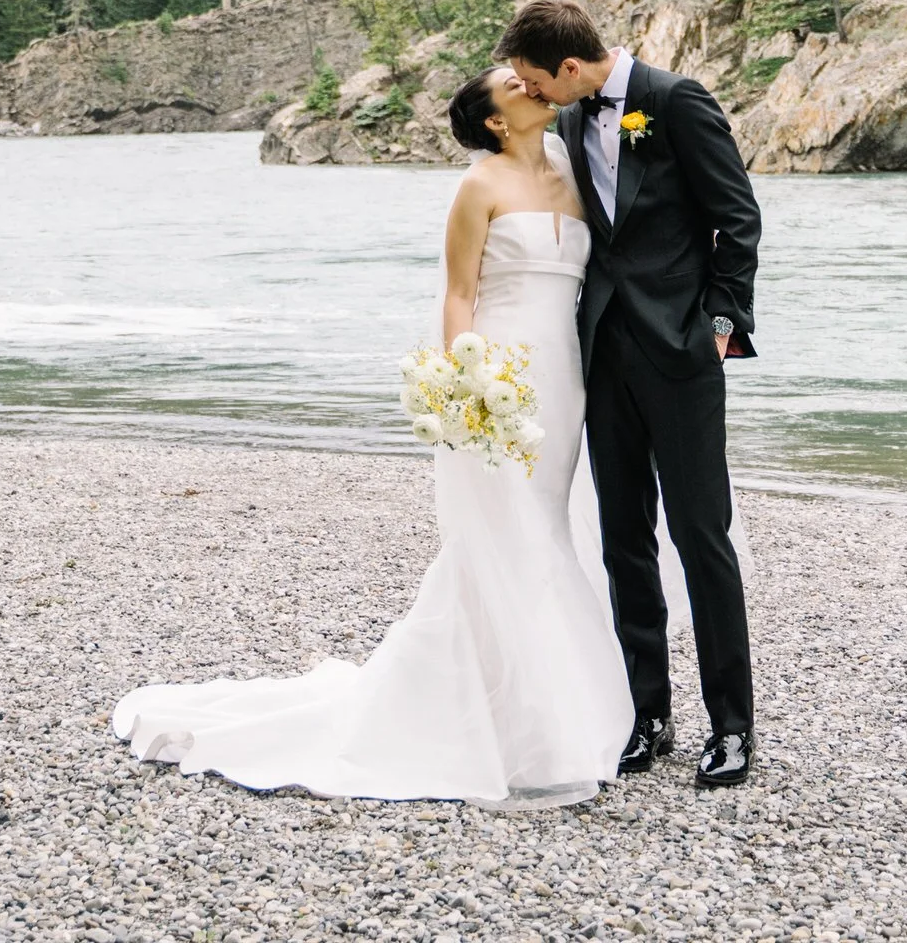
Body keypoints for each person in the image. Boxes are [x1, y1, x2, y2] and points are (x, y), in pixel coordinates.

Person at [110, 66, 633, 807]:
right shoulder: (477, 186)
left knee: (547, 529)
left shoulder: (571, 169)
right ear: (493, 119)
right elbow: (459, 294)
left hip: (566, 383)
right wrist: (469, 387)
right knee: (504, 538)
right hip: (501, 377)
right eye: (514, 84)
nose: (530, 85)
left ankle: (546, 715)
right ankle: (510, 727)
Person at [498, 0, 762, 790]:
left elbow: (737, 216)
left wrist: (720, 323)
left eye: (535, 82)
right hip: (600, 356)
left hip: (682, 350)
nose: (535, 95)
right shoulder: (574, 119)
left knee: (700, 535)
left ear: (570, 68)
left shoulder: (676, 101)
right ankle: (648, 714)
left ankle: (733, 726)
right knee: (623, 539)